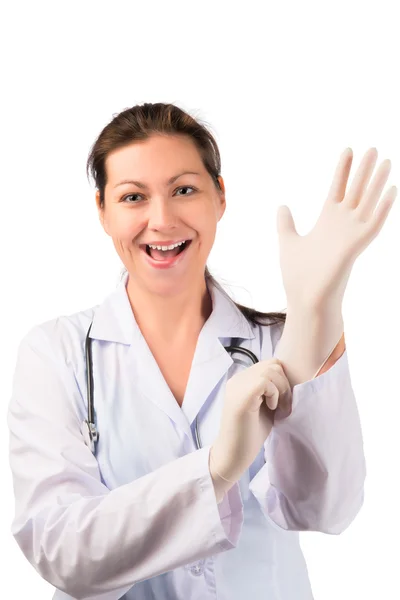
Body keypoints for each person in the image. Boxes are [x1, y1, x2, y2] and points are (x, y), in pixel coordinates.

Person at [7, 102, 396, 600]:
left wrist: (318, 312)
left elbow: (328, 509)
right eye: (133, 197)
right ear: (103, 212)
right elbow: (61, 550)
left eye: (184, 189)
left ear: (220, 197)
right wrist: (216, 469)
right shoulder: (55, 354)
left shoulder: (279, 345)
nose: (162, 220)